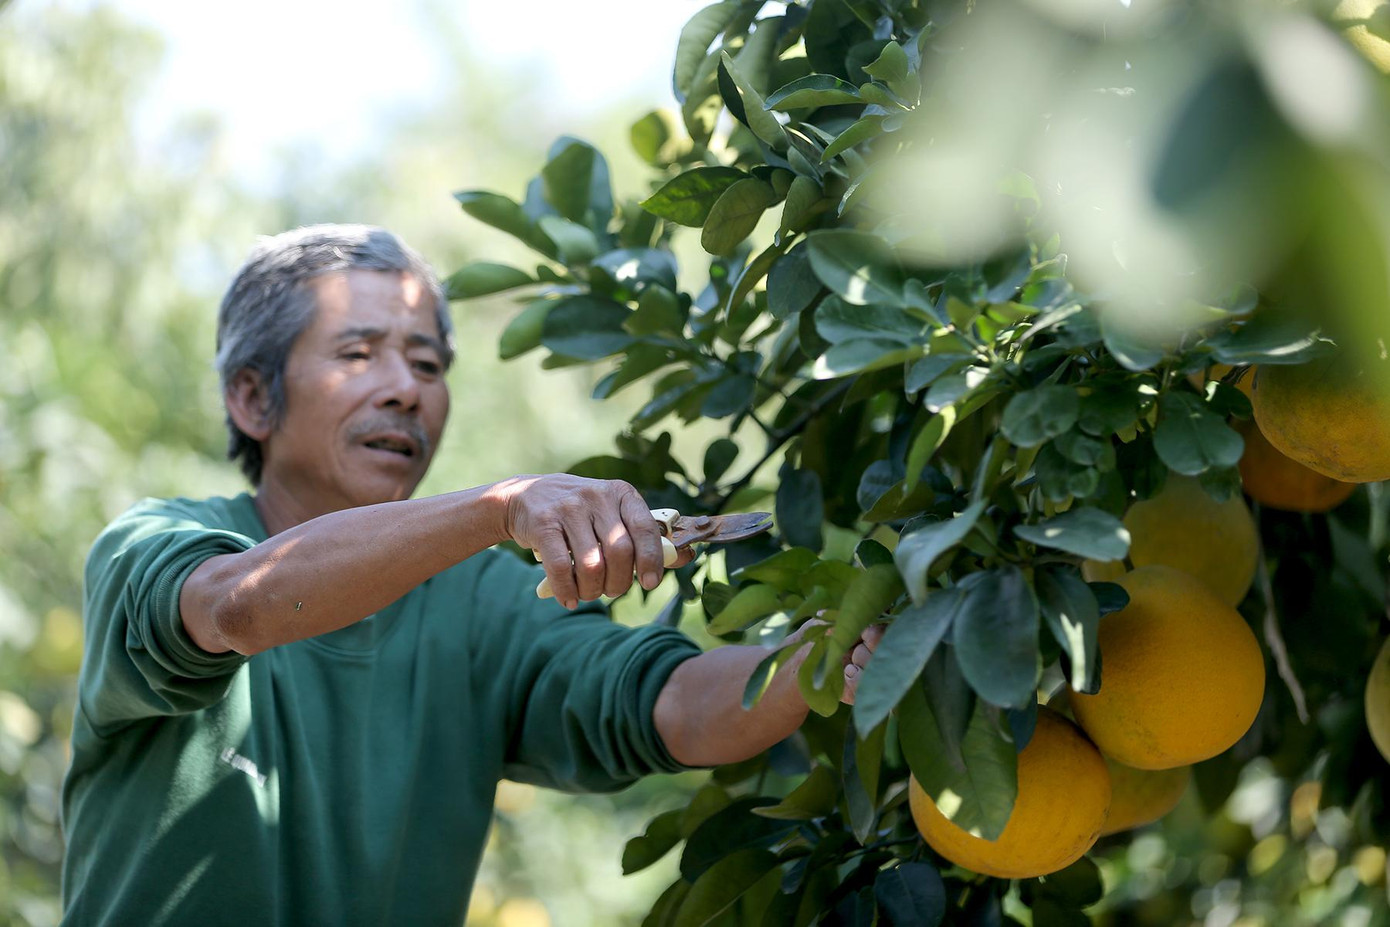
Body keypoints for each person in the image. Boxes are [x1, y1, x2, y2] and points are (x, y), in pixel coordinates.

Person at [60, 224, 882, 925]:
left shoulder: (484, 601)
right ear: (251, 397)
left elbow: (672, 705)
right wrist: (497, 507)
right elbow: (235, 608)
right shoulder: (159, 542)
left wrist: (821, 653)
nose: (406, 391)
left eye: (427, 363)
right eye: (358, 352)